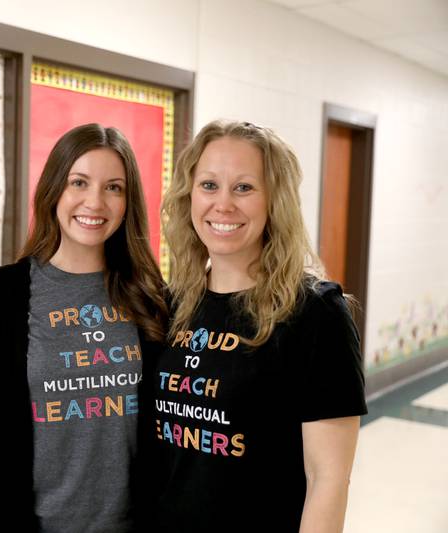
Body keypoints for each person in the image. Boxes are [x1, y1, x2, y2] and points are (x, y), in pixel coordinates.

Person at [141, 120, 367, 531]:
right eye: (209, 185)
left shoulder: (315, 314)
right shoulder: (173, 304)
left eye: (243, 187)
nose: (223, 204)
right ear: (189, 195)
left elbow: (328, 480)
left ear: (274, 201)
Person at [0, 123, 167, 533]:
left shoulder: (150, 297)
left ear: (128, 202)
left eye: (113, 188)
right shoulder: (0, 296)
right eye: (79, 182)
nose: (95, 201)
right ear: (54, 189)